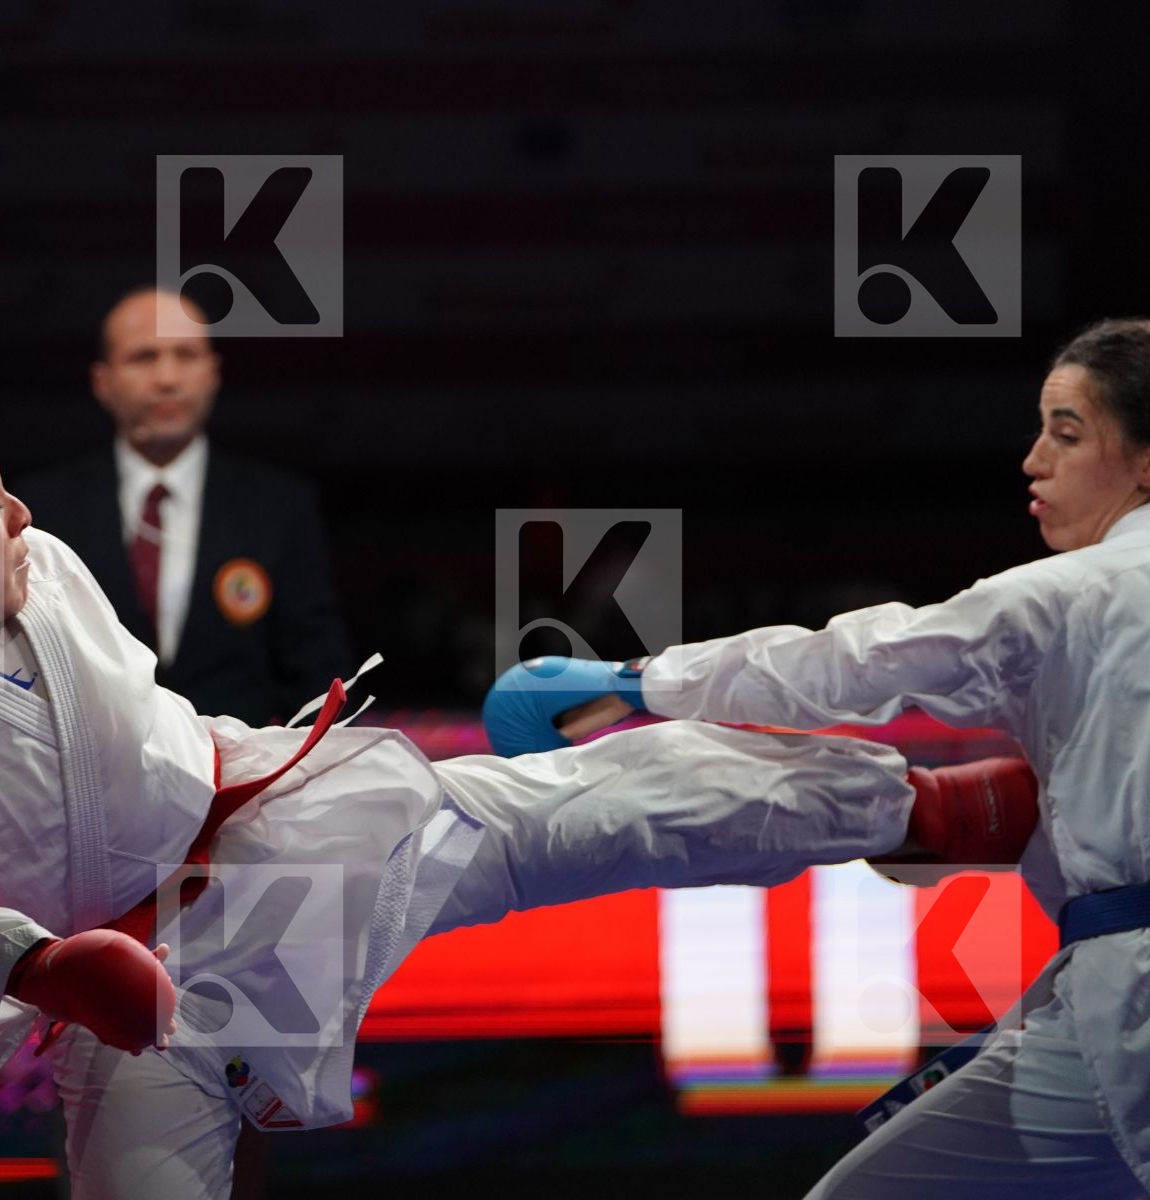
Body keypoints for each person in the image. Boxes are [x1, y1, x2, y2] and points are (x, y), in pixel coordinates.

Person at [0, 350, 1034, 1200]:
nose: (25, 516)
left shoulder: (36, 576)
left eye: (6, 488)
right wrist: (34, 961)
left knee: (609, 800)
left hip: (289, 827)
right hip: (148, 991)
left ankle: (923, 804)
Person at [485, 317, 1150, 1198]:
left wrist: (636, 685)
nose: (1034, 459)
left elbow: (856, 664)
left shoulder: (1077, 591)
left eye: (1066, 434)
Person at [16, 287, 349, 725]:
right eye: (144, 357)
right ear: (103, 381)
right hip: (82, 778)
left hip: (246, 782)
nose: (167, 378)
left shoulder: (279, 508)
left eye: (186, 355)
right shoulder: (39, 511)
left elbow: (319, 677)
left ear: (212, 373)